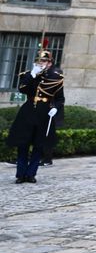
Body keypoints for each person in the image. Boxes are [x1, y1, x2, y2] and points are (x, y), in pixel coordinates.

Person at [6, 48, 64, 183]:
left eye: (45, 61)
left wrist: (55, 108)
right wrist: (32, 75)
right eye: (40, 61)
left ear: (50, 63)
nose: (42, 63)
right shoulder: (28, 75)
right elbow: (22, 89)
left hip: (44, 112)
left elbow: (60, 98)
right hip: (28, 111)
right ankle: (20, 174)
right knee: (23, 144)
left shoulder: (56, 78)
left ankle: (31, 174)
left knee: (39, 145)